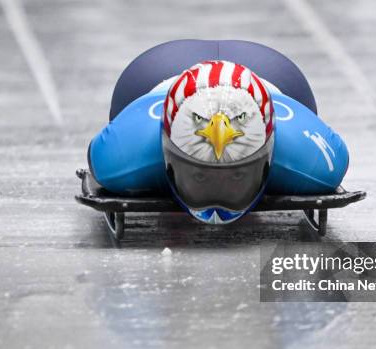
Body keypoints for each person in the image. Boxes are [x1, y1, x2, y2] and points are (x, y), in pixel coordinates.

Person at [88, 40, 349, 224]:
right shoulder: (318, 165)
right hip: (267, 68)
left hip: (159, 66)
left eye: (237, 175)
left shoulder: (119, 163)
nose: (218, 197)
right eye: (200, 176)